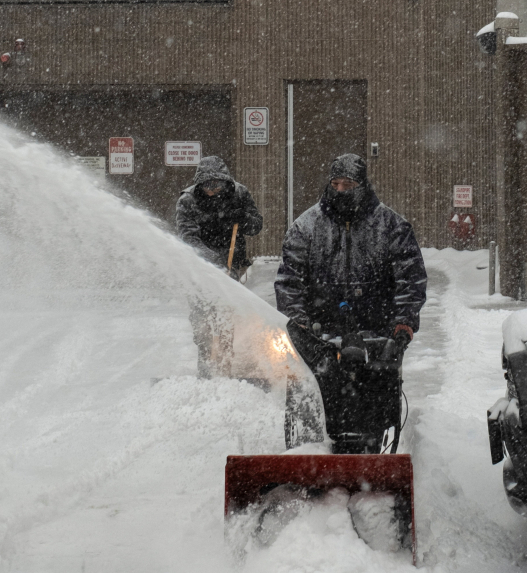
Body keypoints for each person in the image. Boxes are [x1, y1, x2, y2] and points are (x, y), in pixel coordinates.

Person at [275, 153, 427, 453]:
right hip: (320, 334)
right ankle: (309, 453)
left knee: (377, 399)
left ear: (362, 185)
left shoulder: (391, 226)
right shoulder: (306, 228)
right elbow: (289, 281)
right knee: (314, 395)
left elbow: (410, 279)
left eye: (349, 184)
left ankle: (374, 455)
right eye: (336, 184)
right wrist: (299, 323)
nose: (341, 190)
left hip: (377, 332)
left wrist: (403, 323)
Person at [175, 156, 263, 277]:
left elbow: (256, 227)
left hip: (234, 262)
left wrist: (244, 218)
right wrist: (215, 262)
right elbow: (189, 239)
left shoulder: (239, 194)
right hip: (201, 265)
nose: (212, 191)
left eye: (217, 186)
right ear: (200, 184)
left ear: (225, 182)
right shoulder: (188, 200)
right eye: (207, 186)